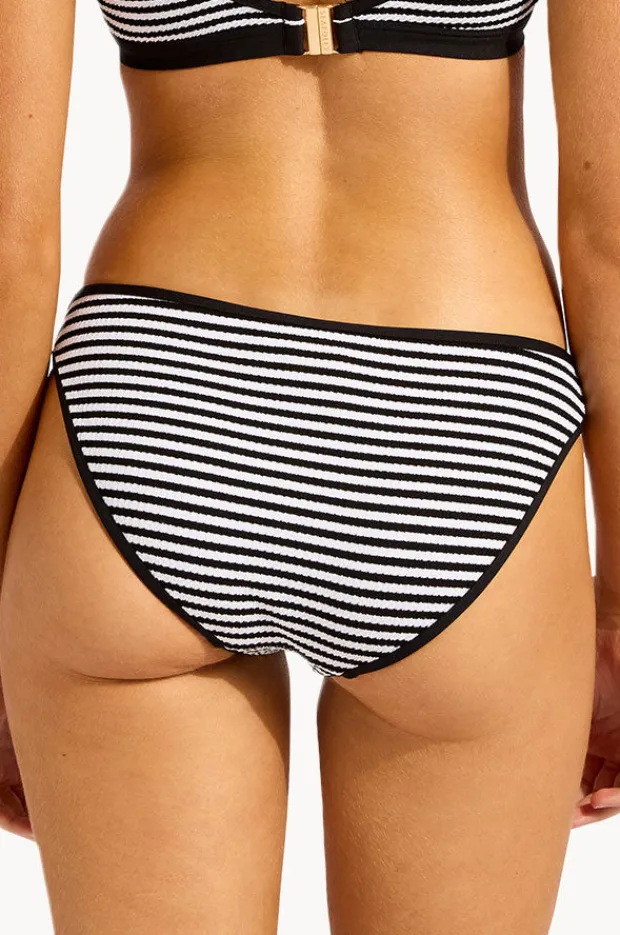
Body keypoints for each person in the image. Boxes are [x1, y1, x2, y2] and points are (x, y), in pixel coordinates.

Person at [0, 0, 618, 931]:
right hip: (460, 427)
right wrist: (618, 605)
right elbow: (610, 242)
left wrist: (6, 600)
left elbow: (10, 247)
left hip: (155, 410)